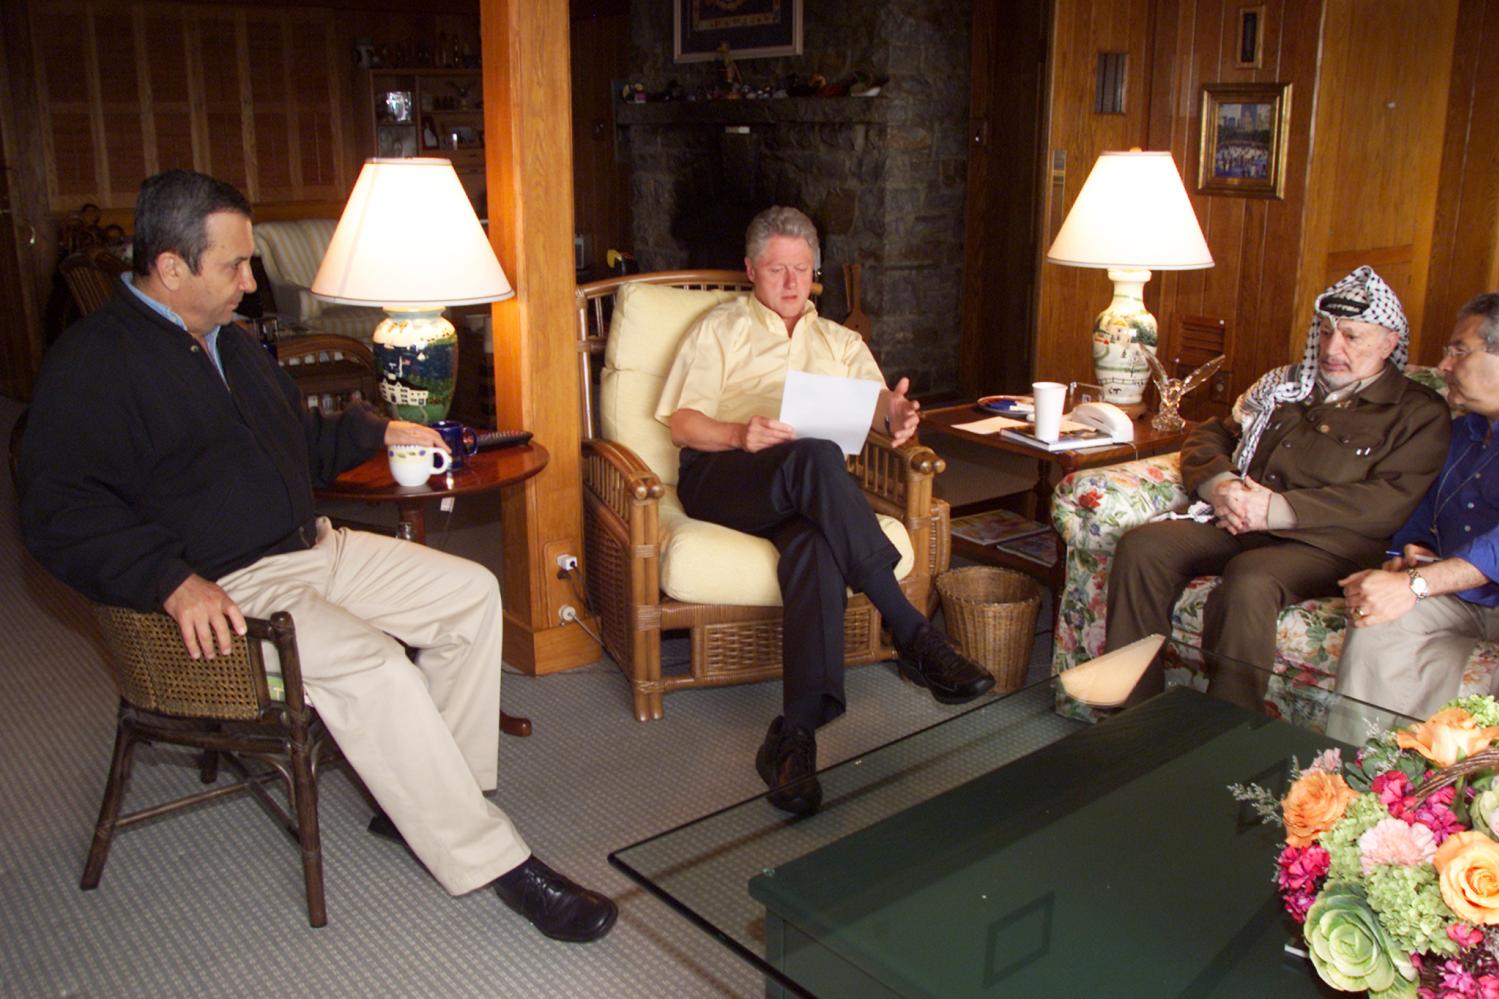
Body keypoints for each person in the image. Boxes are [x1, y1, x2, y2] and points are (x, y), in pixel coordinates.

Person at [17, 170, 615, 943]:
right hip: (231, 585)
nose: (250, 278)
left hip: (313, 545)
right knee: (373, 664)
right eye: (232, 264)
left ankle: (431, 803)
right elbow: (58, 510)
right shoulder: (94, 365)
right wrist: (168, 577)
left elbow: (295, 441)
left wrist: (379, 431)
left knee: (469, 594)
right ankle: (496, 861)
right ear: (170, 267)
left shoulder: (229, 341)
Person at [655, 205, 994, 816]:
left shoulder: (842, 341)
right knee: (814, 456)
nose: (790, 283)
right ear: (751, 271)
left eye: (802, 270)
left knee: (814, 547)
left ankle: (794, 738)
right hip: (724, 478)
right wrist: (738, 435)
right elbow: (681, 423)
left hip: (805, 495)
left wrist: (899, 417)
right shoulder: (720, 329)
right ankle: (911, 629)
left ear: (816, 274)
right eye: (777, 269)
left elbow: (881, 409)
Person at [1102, 266, 1451, 703]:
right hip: (1235, 521)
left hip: (1324, 545)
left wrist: (1276, 511)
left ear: (1389, 342)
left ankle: (1223, 734)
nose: (1331, 348)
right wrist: (1220, 485)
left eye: (1351, 336)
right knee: (1145, 546)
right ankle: (1131, 712)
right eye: (1324, 332)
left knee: (1251, 578)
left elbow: (1387, 502)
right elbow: (1213, 434)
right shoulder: (1285, 385)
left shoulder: (1417, 412)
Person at [1335, 293, 1499, 719]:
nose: (1444, 366)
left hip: (1463, 584)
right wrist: (1402, 559)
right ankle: (1357, 776)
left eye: (1460, 350)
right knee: (1377, 616)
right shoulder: (1462, 432)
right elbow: (1420, 507)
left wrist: (1417, 585)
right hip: (1462, 592)